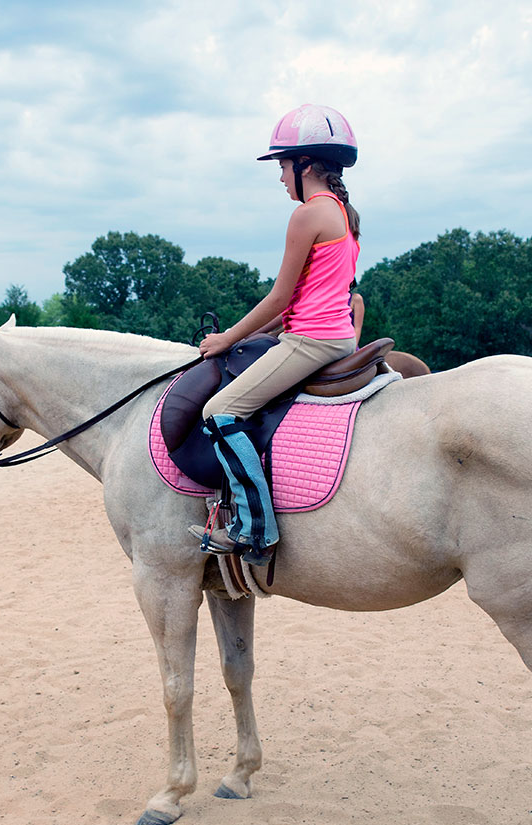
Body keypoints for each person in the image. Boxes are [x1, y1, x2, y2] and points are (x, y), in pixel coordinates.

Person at [191, 103, 361, 565]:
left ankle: (254, 527)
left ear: (306, 164)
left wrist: (225, 340)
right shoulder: (342, 213)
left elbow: (280, 297)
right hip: (333, 333)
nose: (281, 176)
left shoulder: (309, 213)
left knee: (220, 411)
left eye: (284, 165)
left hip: (313, 340)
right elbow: (298, 300)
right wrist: (243, 332)